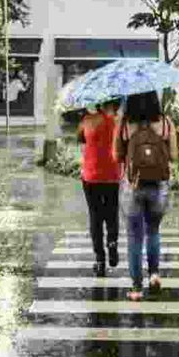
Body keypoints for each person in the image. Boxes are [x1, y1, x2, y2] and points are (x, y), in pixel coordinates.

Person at [114, 91, 177, 301]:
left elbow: (116, 156)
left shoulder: (125, 125)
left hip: (133, 185)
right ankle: (154, 274)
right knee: (153, 231)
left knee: (134, 236)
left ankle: (136, 287)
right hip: (159, 185)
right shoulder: (166, 123)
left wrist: (119, 123)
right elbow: (175, 156)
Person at [77, 98, 122, 277]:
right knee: (112, 212)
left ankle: (100, 260)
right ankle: (112, 244)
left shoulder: (87, 120)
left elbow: (81, 143)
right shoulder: (118, 122)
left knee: (95, 217)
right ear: (115, 105)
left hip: (90, 176)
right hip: (112, 175)